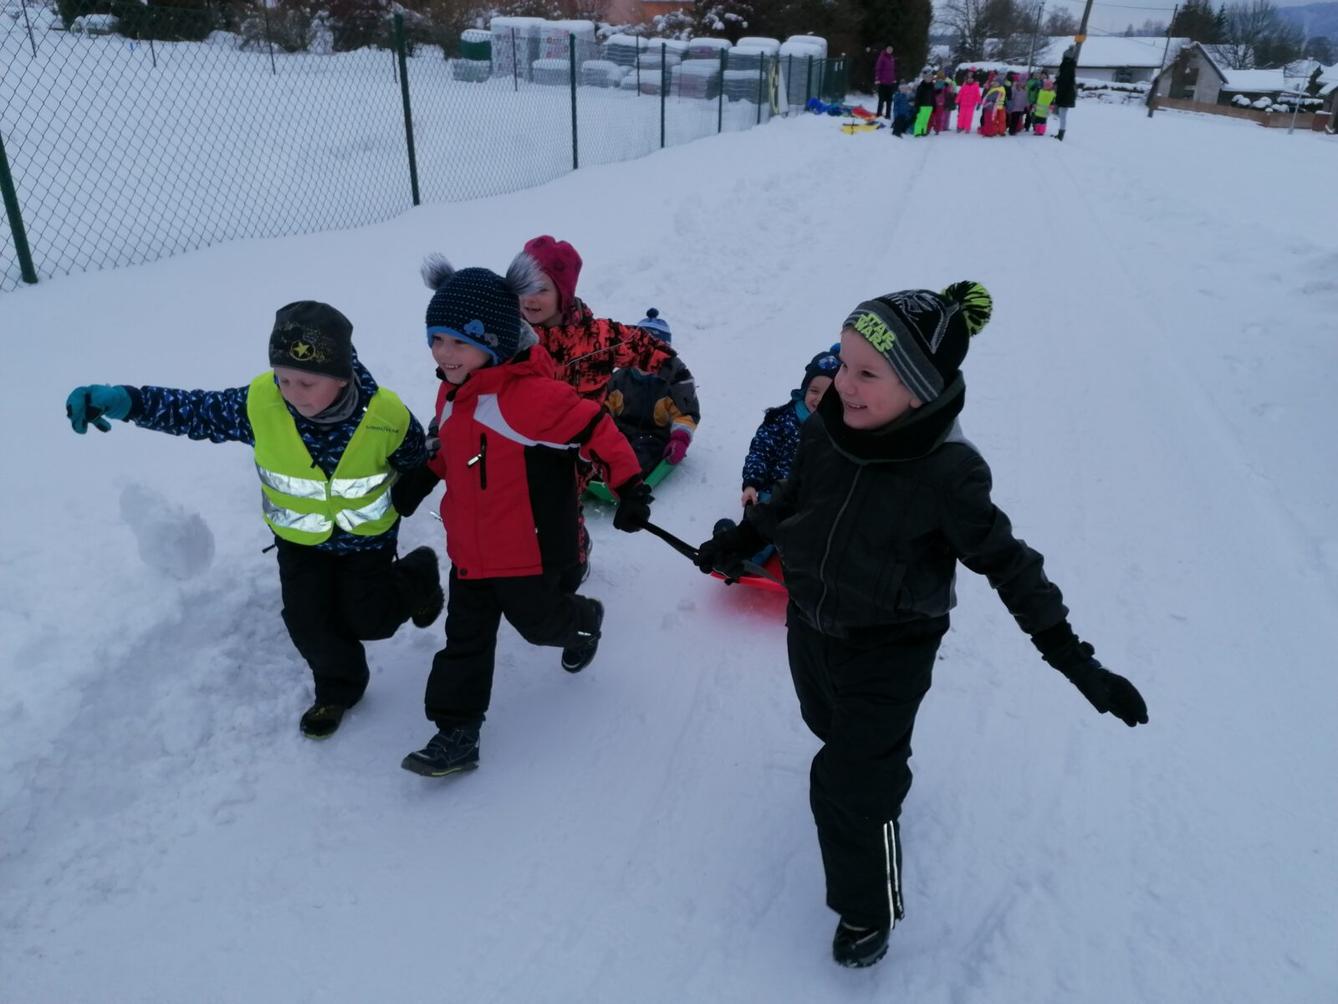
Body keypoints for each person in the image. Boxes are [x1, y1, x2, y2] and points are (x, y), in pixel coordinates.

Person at [693, 282, 1149, 969]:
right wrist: (739, 541)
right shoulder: (826, 431)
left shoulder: (948, 472)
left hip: (892, 643)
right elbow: (791, 501)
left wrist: (1072, 656)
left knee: (847, 784)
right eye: (842, 364)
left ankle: (866, 911)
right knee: (830, 728)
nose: (843, 384)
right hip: (812, 624)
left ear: (920, 387)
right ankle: (879, 770)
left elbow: (1010, 564)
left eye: (867, 373)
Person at [63, 302, 440, 740]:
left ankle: (418, 576)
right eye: (283, 378)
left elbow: (417, 458)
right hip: (299, 544)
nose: (293, 392)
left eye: (306, 381)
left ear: (343, 376)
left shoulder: (385, 416)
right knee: (307, 621)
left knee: (370, 620)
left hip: (366, 544)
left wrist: (415, 486)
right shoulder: (260, 404)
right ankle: (338, 689)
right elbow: (196, 411)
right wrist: (128, 401)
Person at [395, 258, 652, 778]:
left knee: (539, 626)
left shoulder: (532, 397)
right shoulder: (452, 391)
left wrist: (629, 487)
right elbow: (456, 446)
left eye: (457, 343)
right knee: (464, 641)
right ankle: (456, 733)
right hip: (470, 553)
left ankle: (583, 620)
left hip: (526, 553)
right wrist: (427, 473)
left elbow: (595, 427)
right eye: (436, 340)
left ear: (491, 343)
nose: (443, 355)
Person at [510, 235, 696, 588]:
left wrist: (679, 380)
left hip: (575, 450)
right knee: (522, 510)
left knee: (565, 514)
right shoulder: (509, 336)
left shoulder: (596, 338)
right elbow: (476, 379)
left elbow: (644, 347)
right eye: (524, 288)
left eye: (542, 289)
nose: (530, 299)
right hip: (521, 444)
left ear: (563, 293)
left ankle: (575, 558)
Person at [604, 308, 700, 476]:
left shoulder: (673, 383)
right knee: (605, 448)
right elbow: (602, 405)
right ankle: (592, 472)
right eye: (640, 353)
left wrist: (679, 439)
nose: (645, 360)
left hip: (653, 435)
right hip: (619, 430)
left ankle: (626, 476)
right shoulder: (619, 378)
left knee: (638, 456)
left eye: (653, 354)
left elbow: (686, 415)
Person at [740, 348, 839, 507]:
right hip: (772, 494)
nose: (819, 399)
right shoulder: (784, 419)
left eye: (828, 395)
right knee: (760, 522)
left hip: (809, 504)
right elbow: (761, 451)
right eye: (814, 391)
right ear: (804, 390)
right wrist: (751, 484)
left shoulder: (840, 430)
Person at [1054, 45, 1078, 140]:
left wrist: (1057, 81)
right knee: (1062, 115)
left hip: (1065, 95)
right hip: (1067, 95)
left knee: (1062, 115)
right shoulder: (1069, 66)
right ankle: (1060, 133)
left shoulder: (1067, 67)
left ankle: (1061, 134)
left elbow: (1064, 82)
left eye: (1063, 56)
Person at [873, 45, 897, 119]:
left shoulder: (892, 58)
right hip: (882, 82)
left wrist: (894, 78)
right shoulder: (882, 57)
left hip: (890, 82)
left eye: (891, 49)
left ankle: (888, 115)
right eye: (889, 49)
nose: (890, 50)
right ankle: (879, 114)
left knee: (889, 100)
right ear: (886, 49)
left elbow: (892, 70)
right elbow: (878, 68)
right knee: (881, 99)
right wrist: (877, 78)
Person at [912, 71, 935, 137]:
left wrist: (934, 106)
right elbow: (917, 97)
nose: (929, 79)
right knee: (920, 119)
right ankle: (918, 132)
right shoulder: (921, 86)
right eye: (927, 77)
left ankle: (923, 131)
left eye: (930, 77)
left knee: (925, 120)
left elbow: (933, 97)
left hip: (929, 106)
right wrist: (917, 106)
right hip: (922, 106)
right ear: (924, 78)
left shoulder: (932, 86)